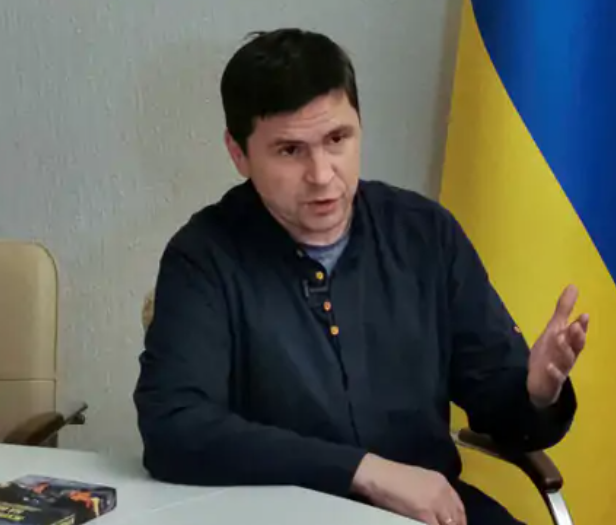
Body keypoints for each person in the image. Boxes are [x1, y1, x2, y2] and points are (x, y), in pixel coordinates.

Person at [133, 28, 589, 525]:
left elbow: (504, 412)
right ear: (238, 153)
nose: (321, 174)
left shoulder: (425, 234)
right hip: (284, 516)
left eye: (337, 140)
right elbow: (174, 429)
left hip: (431, 514)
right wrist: (364, 471)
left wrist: (536, 394)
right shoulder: (203, 256)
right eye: (289, 150)